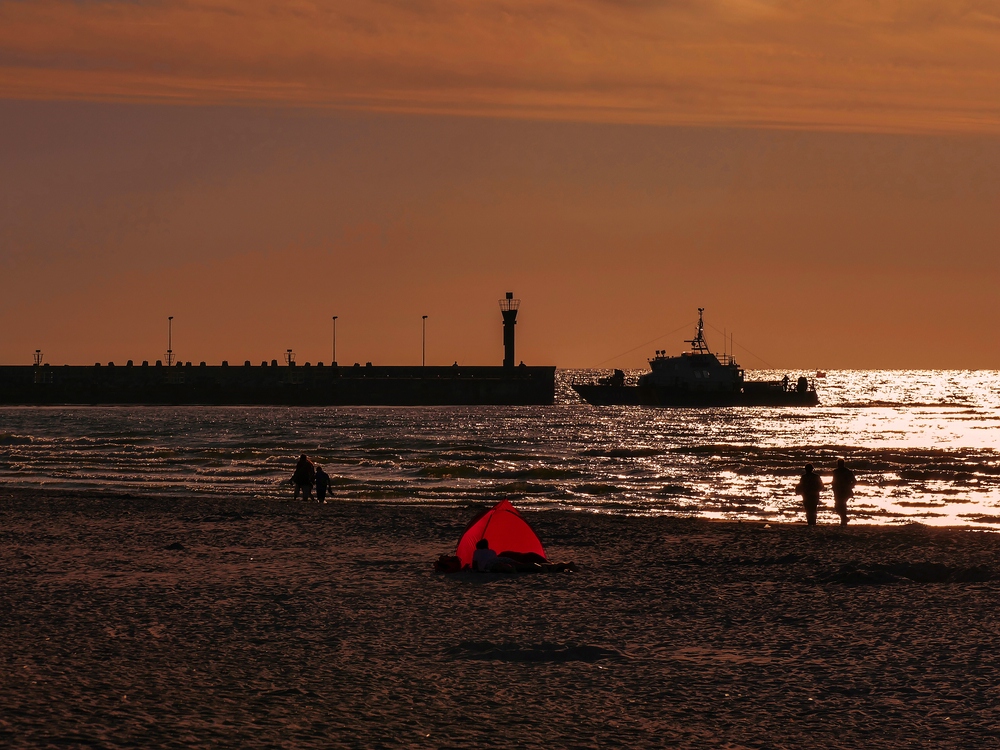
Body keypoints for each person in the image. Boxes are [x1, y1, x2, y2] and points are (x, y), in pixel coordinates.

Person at [831, 458, 857, 526]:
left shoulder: (846, 471)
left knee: (841, 504)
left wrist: (849, 486)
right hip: (839, 490)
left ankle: (843, 519)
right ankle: (844, 518)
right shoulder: (836, 472)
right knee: (839, 505)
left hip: (843, 490)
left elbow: (854, 481)